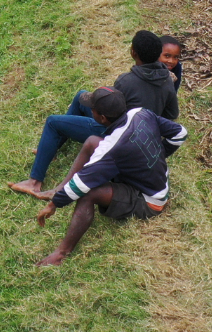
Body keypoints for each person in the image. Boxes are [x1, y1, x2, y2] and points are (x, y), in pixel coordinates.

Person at [9, 31, 182, 197]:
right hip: (139, 130)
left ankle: (34, 182)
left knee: (53, 122)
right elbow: (172, 113)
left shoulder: (126, 81)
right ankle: (51, 149)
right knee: (81, 96)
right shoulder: (167, 79)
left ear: (133, 52)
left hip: (115, 133)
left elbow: (110, 110)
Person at [34, 88, 186, 265]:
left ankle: (61, 253)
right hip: (153, 179)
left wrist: (54, 204)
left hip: (149, 200)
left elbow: (81, 184)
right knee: (92, 141)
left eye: (93, 110)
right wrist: (158, 153)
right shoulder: (140, 113)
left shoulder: (112, 149)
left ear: (102, 118)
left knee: (88, 193)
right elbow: (180, 133)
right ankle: (60, 187)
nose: (90, 112)